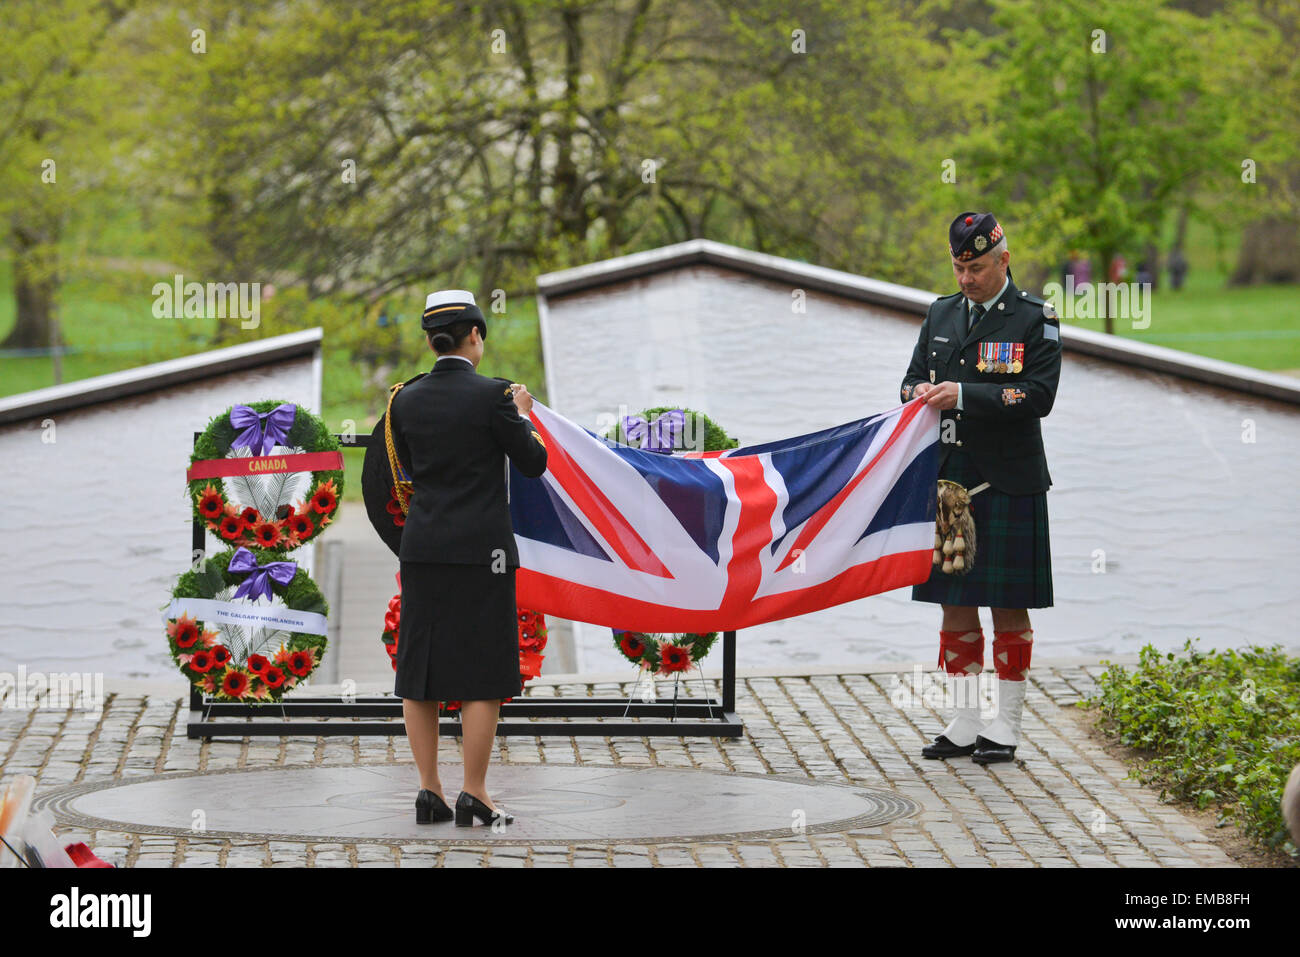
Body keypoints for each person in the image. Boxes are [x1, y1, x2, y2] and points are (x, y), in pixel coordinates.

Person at [899, 212, 1061, 765]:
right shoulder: (941, 312)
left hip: (1011, 483)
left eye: (977, 267)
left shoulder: (1036, 318)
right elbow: (906, 382)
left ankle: (1006, 725)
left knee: (1009, 607)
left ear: (1004, 260)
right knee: (954, 605)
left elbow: (1037, 396)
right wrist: (919, 389)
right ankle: (966, 721)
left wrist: (964, 395)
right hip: (950, 484)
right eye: (959, 266)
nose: (966, 278)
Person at [388, 289, 548, 826]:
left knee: (420, 670)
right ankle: (474, 791)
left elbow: (408, 466)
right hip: (485, 552)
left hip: (425, 547)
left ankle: (428, 790)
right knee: (483, 671)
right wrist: (522, 416)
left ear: (432, 341)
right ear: (475, 335)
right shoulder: (495, 398)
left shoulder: (403, 400)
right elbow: (533, 463)